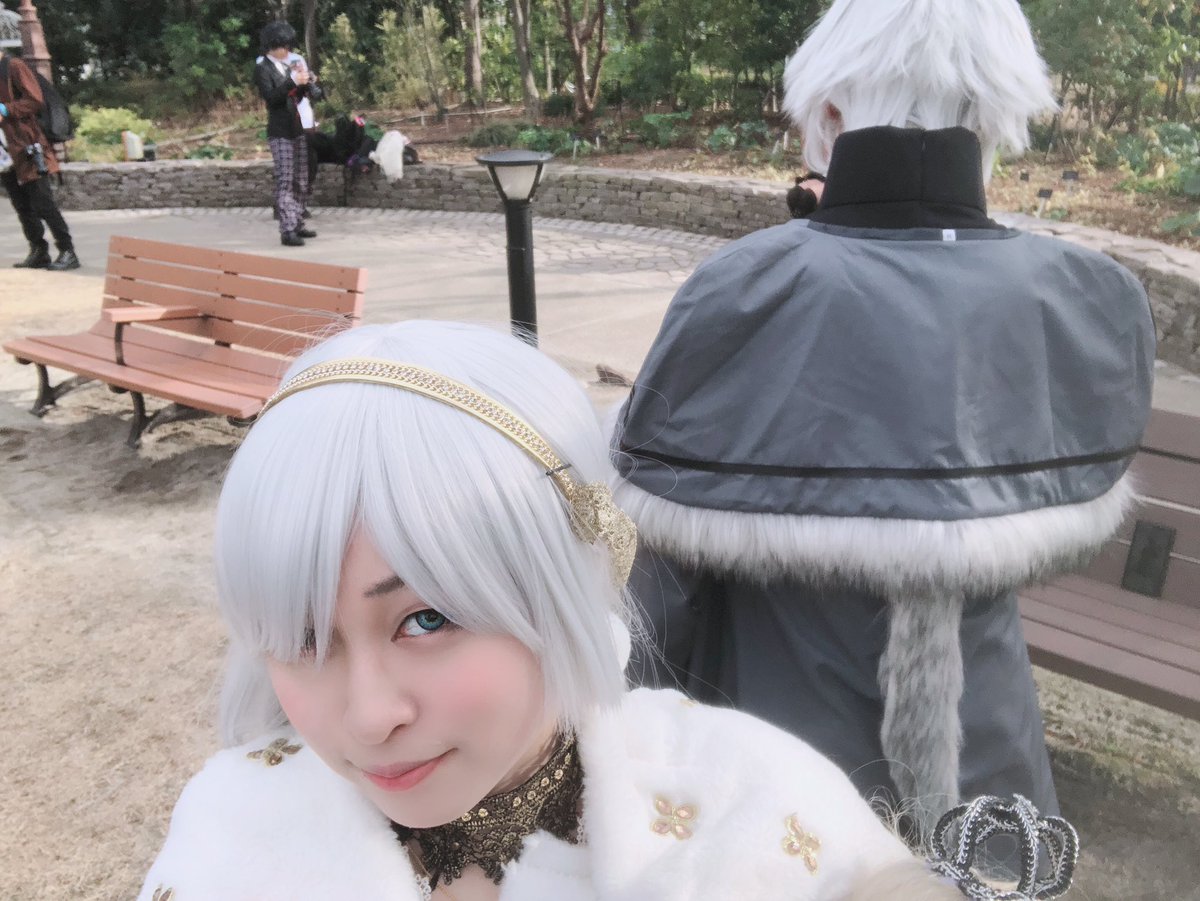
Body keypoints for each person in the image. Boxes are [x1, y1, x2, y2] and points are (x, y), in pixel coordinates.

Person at [135, 320, 1075, 900]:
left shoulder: (753, 802)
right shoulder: (232, 829)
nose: (370, 714)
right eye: (304, 636)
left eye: (426, 617)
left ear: (562, 579)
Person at [609, 0, 1156, 842]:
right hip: (992, 740)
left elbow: (658, 592)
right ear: (993, 115)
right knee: (987, 870)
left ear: (829, 113)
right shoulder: (1089, 300)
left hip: (773, 765)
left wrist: (621, 742)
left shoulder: (744, 292)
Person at [0, 50, 79, 270]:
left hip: (27, 146)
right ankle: (38, 250)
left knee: (43, 203)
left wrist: (6, 109)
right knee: (22, 205)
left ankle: (67, 250)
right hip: (5, 152)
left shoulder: (13, 66)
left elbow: (35, 100)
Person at [254, 22, 319, 247]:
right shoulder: (263, 68)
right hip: (280, 130)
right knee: (286, 179)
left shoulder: (288, 66)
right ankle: (287, 229)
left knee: (301, 179)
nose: (288, 51)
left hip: (297, 127)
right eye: (284, 46)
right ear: (274, 46)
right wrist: (292, 81)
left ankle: (298, 221)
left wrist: (306, 84)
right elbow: (272, 99)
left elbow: (296, 97)